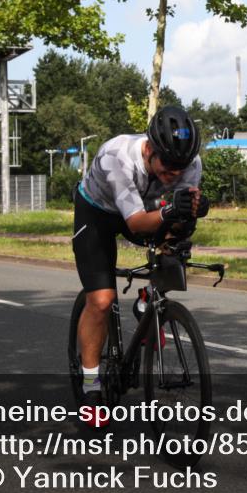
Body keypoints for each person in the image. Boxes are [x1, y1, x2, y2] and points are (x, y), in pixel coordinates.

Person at [73, 105, 210, 414]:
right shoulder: (117, 156)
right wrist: (168, 211)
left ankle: (149, 300)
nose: (175, 172)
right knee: (102, 300)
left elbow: (178, 216)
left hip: (144, 210)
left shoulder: (191, 165)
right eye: (168, 163)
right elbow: (135, 224)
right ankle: (91, 386)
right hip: (98, 214)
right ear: (149, 148)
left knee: (181, 232)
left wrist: (194, 209)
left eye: (182, 165)